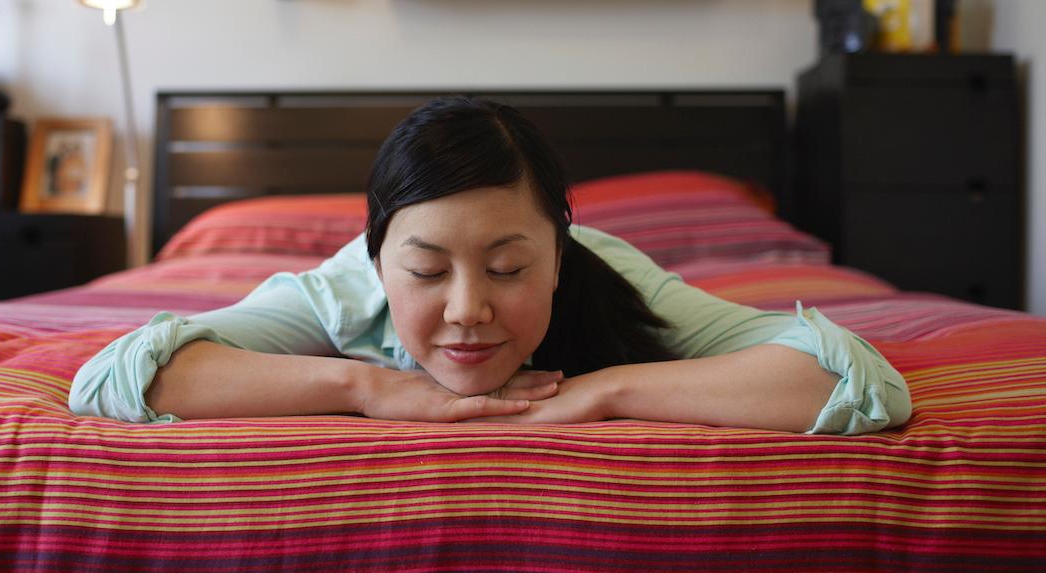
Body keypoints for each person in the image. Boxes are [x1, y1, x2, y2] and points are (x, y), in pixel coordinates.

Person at [69, 96, 912, 434]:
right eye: (427, 271)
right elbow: (118, 378)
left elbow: (854, 382)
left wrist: (602, 390)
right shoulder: (339, 294)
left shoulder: (609, 274)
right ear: (378, 261)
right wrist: (365, 387)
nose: (467, 308)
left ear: (557, 255)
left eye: (508, 267)